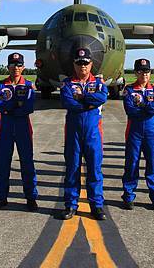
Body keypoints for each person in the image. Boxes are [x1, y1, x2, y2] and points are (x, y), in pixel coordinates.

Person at [59, 48, 108, 220]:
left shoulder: (99, 84)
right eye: (79, 63)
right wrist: (88, 104)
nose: (82, 67)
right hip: (73, 133)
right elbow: (68, 102)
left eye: (85, 63)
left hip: (93, 133)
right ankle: (71, 204)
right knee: (72, 168)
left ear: (91, 64)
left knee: (95, 169)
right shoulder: (67, 84)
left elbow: (102, 98)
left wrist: (82, 97)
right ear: (74, 64)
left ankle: (96, 205)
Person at [0, 53, 38, 212]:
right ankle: (1, 198)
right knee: (3, 162)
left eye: (19, 65)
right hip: (6, 127)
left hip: (23, 125)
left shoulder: (29, 85)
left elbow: (29, 107)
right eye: (12, 65)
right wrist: (15, 104)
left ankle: (31, 198)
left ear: (23, 67)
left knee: (27, 163)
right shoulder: (1, 85)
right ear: (8, 67)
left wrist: (8, 106)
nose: (15, 68)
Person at [121, 58, 154, 210]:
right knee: (132, 163)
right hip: (135, 131)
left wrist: (144, 105)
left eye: (147, 71)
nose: (144, 74)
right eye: (140, 71)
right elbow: (130, 111)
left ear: (150, 72)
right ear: (135, 73)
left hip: (151, 132)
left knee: (153, 164)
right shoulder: (129, 90)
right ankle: (128, 195)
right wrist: (148, 109)